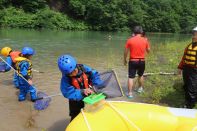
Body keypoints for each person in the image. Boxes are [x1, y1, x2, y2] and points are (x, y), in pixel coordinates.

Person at [57, 54, 103, 121]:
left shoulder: (84, 69)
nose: (73, 74)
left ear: (76, 65)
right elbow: (67, 93)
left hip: (90, 97)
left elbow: (95, 75)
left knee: (93, 113)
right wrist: (82, 92)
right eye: (70, 74)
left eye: (74, 71)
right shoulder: (65, 79)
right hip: (76, 101)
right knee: (75, 117)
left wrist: (96, 87)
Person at [124, 26, 150, 98]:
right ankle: (140, 89)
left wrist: (124, 60)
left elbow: (126, 52)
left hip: (133, 61)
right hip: (142, 61)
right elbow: (148, 51)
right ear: (141, 32)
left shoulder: (130, 40)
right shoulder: (145, 40)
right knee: (140, 75)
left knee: (131, 77)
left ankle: (130, 94)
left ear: (134, 32)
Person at [178, 26, 197, 109]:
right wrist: (180, 67)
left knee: (192, 88)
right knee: (186, 86)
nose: (193, 35)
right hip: (186, 68)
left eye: (195, 34)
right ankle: (188, 101)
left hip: (195, 70)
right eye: (193, 33)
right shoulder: (189, 45)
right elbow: (184, 57)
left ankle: (190, 106)